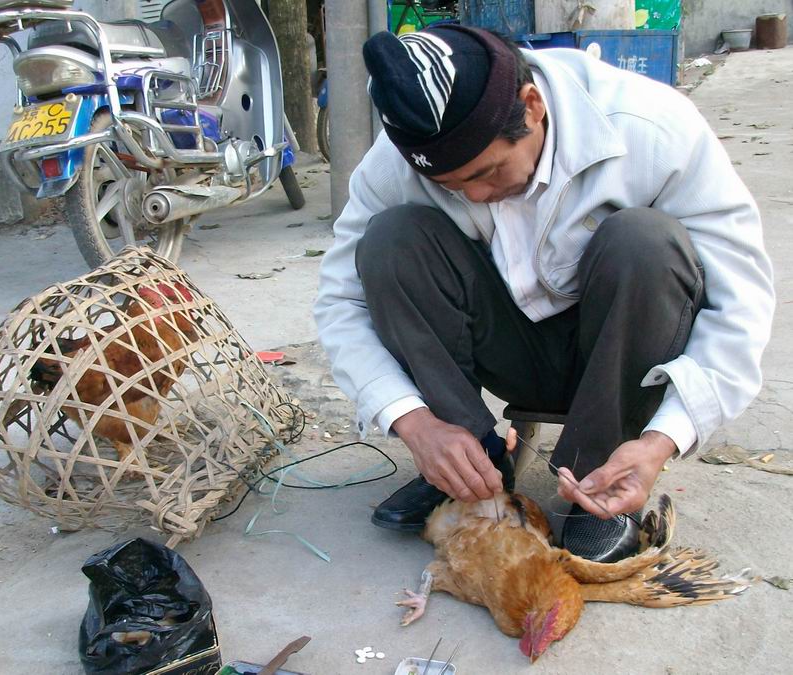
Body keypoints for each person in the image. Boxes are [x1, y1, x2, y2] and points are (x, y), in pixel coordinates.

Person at [313, 25, 774, 562]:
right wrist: (413, 422)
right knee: (391, 240)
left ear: (531, 106)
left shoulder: (651, 127)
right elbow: (341, 301)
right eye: (453, 188)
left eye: (486, 173)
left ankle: (598, 482)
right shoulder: (395, 164)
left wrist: (661, 439)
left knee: (645, 241)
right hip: (511, 350)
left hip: (625, 356)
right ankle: (470, 465)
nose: (477, 196)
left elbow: (740, 301)